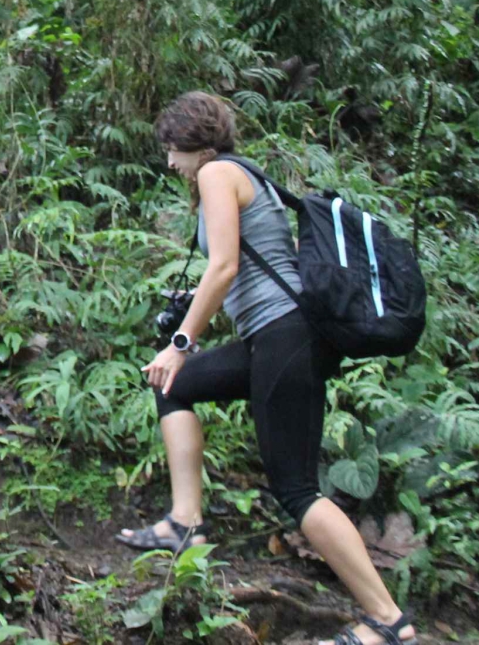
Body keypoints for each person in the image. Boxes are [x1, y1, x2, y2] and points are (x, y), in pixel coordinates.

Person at [118, 92, 415, 645]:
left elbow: (226, 266)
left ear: (192, 141)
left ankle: (389, 621)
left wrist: (182, 339)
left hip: (287, 338)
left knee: (297, 490)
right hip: (271, 339)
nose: (168, 163)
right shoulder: (238, 174)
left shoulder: (216, 174)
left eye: (170, 149)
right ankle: (186, 522)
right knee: (172, 385)